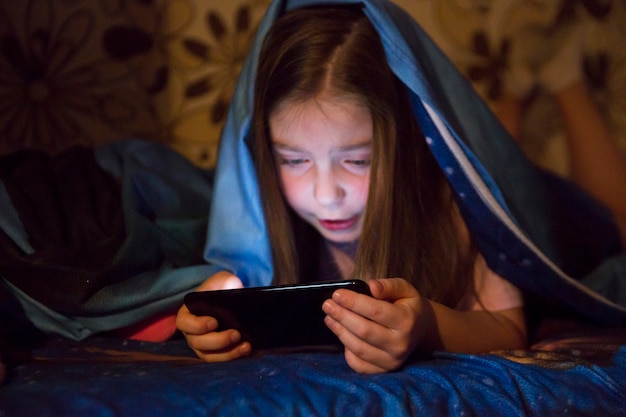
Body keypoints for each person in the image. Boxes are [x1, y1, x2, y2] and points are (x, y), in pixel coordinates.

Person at [176, 4, 527, 374]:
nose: (327, 196)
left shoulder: (455, 204)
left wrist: (427, 326)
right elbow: (222, 291)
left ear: (401, 145)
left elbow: (510, 328)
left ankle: (529, 97)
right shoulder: (258, 221)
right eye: (294, 161)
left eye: (358, 161)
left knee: (518, 178)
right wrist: (211, 324)